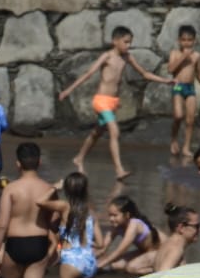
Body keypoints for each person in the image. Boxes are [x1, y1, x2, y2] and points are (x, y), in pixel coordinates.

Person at [57, 26, 174, 179]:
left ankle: (79, 157)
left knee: (96, 133)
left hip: (112, 103)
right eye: (126, 42)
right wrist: (68, 90)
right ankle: (119, 170)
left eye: (130, 42)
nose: (129, 45)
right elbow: (88, 73)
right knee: (114, 131)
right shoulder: (107, 57)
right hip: (100, 101)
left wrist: (165, 80)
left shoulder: (127, 57)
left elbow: (144, 73)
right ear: (115, 41)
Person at [0, 141, 55, 278]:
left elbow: (2, 224)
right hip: (39, 243)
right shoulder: (48, 189)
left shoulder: (11, 189)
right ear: (39, 162)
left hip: (15, 243)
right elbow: (52, 220)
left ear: (18, 163)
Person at [48, 172, 101, 278]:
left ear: (66, 190)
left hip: (71, 259)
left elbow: (40, 202)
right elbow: (101, 243)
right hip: (89, 259)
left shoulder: (65, 206)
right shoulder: (91, 212)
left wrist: (54, 188)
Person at [166, 24, 200, 159]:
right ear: (179, 40)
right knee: (178, 115)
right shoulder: (175, 53)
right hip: (178, 86)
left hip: (190, 88)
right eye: (184, 40)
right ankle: (174, 139)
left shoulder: (197, 56)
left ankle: (186, 147)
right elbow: (170, 70)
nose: (187, 43)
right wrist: (183, 57)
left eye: (189, 40)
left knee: (190, 120)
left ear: (194, 41)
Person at [97, 196, 160, 274]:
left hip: (160, 251)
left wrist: (101, 265)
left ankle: (158, 269)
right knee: (115, 265)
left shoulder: (134, 224)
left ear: (127, 215)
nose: (111, 219)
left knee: (131, 268)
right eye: (110, 215)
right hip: (143, 251)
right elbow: (102, 248)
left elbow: (120, 250)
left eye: (115, 215)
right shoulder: (116, 225)